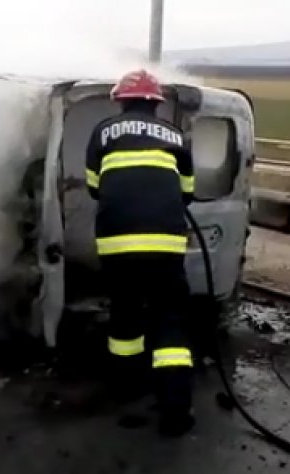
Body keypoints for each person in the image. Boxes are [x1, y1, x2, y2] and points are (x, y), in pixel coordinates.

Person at [85, 69, 196, 437]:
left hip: (118, 244)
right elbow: (188, 192)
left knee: (125, 314)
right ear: (156, 104)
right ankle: (175, 409)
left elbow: (94, 187)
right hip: (166, 244)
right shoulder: (176, 136)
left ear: (121, 101)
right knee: (170, 320)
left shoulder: (104, 132)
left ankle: (126, 388)